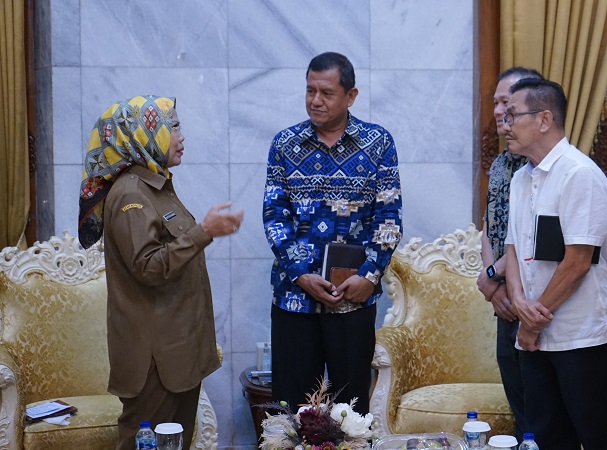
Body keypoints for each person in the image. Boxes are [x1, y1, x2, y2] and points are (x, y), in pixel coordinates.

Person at [78, 95, 244, 449]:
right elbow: (149, 267)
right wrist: (205, 231)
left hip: (178, 352)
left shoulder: (158, 185)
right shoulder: (130, 195)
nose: (181, 136)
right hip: (154, 362)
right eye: (173, 127)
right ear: (142, 135)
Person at [263, 52, 402, 414]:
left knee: (350, 414)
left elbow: (389, 219)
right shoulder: (285, 144)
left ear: (350, 96)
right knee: (293, 413)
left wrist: (368, 277)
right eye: (310, 91)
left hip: (352, 299)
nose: (315, 101)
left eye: (326, 92)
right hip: (295, 298)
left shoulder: (378, 144)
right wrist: (301, 275)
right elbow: (274, 217)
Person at [503, 78, 607, 450]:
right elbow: (512, 248)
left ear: (544, 119)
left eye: (514, 115)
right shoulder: (519, 179)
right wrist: (518, 303)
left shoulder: (580, 174)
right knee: (547, 437)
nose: (506, 124)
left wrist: (532, 319)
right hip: (535, 336)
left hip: (582, 335)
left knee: (600, 438)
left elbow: (578, 261)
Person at [476, 66, 542, 439]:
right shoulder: (502, 162)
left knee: (539, 406)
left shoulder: (539, 163)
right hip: (504, 295)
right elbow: (489, 226)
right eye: (497, 102)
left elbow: (529, 237)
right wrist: (493, 280)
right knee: (517, 399)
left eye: (508, 103)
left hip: (532, 296)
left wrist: (491, 278)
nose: (500, 111)